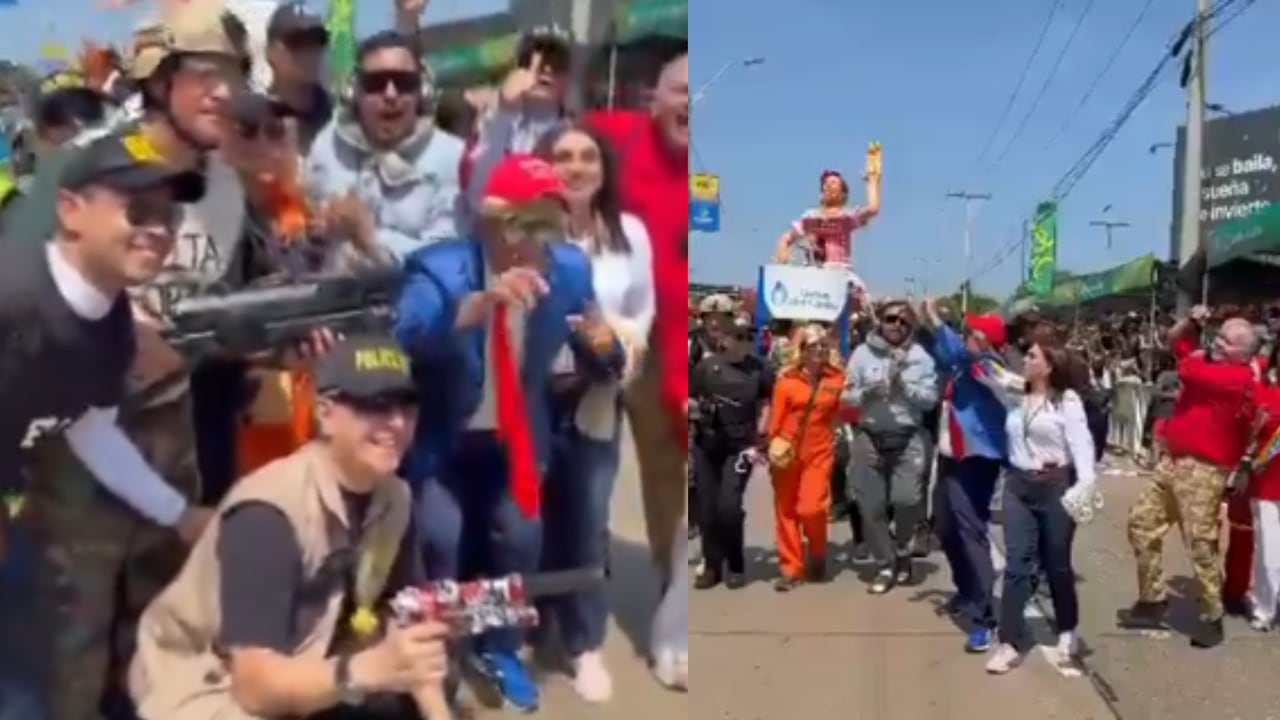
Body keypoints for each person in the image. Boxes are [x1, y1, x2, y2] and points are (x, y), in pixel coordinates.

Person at [394, 154, 622, 712]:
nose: (531, 243)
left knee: (518, 539)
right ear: (491, 223)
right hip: (444, 442)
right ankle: (439, 656)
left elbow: (601, 350)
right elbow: (401, 336)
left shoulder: (568, 269)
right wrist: (470, 311)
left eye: (548, 223)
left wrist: (602, 347)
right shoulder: (440, 270)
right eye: (521, 223)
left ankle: (500, 648)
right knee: (441, 541)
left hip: (517, 442)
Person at [0, 130, 213, 719]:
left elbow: (88, 428)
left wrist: (179, 513)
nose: (158, 230)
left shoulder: (111, 316)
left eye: (168, 216)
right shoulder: (13, 299)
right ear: (70, 211)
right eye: (136, 210)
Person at [129, 335, 454, 720]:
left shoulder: (394, 498)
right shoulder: (269, 513)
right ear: (325, 413)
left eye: (407, 405)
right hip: (209, 685)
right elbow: (255, 688)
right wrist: (369, 669)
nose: (396, 422)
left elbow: (406, 627)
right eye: (375, 406)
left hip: (306, 658)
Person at [534, 122, 654, 703]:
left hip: (594, 403)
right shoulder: (523, 229)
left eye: (587, 157)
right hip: (527, 403)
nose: (575, 167)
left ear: (603, 170)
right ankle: (532, 627)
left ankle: (583, 643)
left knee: (586, 524)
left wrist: (612, 350)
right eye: (562, 156)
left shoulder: (628, 234)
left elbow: (642, 315)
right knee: (524, 523)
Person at [1123, 305, 1256, 648]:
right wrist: (1192, 323)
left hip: (1204, 469)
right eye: (1218, 334)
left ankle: (1212, 614)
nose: (1217, 342)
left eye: (1226, 341)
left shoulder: (1239, 378)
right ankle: (1152, 598)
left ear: (1242, 353)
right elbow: (1174, 340)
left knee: (1199, 543)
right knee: (1141, 522)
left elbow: (1187, 368)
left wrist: (1196, 352)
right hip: (1174, 461)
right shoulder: (1210, 362)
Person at [305, 31, 465, 262]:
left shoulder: (452, 158)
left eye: (404, 83)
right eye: (376, 84)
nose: (390, 94)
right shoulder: (327, 146)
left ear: (422, 92)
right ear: (353, 92)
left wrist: (368, 237)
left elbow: (446, 261)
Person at [987, 342, 1097, 675]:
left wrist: (1083, 487)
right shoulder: (1016, 392)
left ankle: (1068, 628)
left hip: (1055, 488)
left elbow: (1083, 448)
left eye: (1033, 356)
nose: (1025, 360)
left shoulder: (1067, 401)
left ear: (1048, 367)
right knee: (1017, 564)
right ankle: (1009, 642)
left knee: (1057, 564)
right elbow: (985, 370)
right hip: (1018, 487)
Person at [921, 299, 1012, 653]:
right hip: (951, 456)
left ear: (985, 341)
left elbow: (957, 354)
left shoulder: (987, 365)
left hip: (977, 459)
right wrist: (922, 323)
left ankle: (985, 618)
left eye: (971, 332)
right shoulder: (963, 364)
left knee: (970, 531)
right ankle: (966, 589)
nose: (965, 335)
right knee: (944, 526)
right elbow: (944, 353)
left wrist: (933, 318)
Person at [844, 300, 938, 593]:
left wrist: (904, 388)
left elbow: (930, 400)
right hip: (869, 436)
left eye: (903, 321)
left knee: (907, 499)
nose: (896, 325)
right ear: (880, 322)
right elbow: (845, 397)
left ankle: (901, 547)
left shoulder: (921, 358)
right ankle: (885, 564)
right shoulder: (861, 354)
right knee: (870, 506)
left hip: (908, 437)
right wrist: (867, 392)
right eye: (890, 319)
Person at [690, 314, 770, 591]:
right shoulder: (706, 367)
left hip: (740, 448)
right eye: (740, 336)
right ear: (724, 338)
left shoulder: (759, 368)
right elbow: (687, 398)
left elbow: (767, 401)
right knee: (708, 511)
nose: (747, 341)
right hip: (708, 445)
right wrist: (693, 410)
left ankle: (735, 562)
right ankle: (712, 565)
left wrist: (761, 431)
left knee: (729, 508)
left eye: (750, 336)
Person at [766, 324, 844, 591]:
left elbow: (844, 413)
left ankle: (818, 552)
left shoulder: (837, 379)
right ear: (801, 350)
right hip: (786, 451)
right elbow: (774, 423)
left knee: (811, 508)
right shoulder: (786, 381)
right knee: (786, 511)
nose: (820, 350)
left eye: (823, 345)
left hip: (819, 452)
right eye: (813, 345)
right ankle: (791, 569)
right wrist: (772, 449)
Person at [464, 24, 572, 212]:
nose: (546, 69)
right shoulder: (491, 121)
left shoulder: (574, 135)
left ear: (568, 77)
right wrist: (504, 111)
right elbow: (477, 199)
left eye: (557, 63)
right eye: (532, 60)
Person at [771, 145, 881, 268]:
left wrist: (872, 181)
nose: (828, 186)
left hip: (839, 275)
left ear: (842, 194)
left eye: (833, 183)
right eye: (826, 184)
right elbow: (786, 237)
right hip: (814, 277)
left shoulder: (847, 217)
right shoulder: (811, 216)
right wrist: (782, 249)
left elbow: (873, 208)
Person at [1240, 339, 1280, 631]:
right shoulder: (1263, 390)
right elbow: (1248, 432)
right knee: (1268, 548)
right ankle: (1265, 607)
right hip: (1266, 479)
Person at [262, 1, 333, 152]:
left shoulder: (341, 122)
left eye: (318, 40)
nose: (309, 51)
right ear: (270, 52)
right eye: (298, 41)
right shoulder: (252, 126)